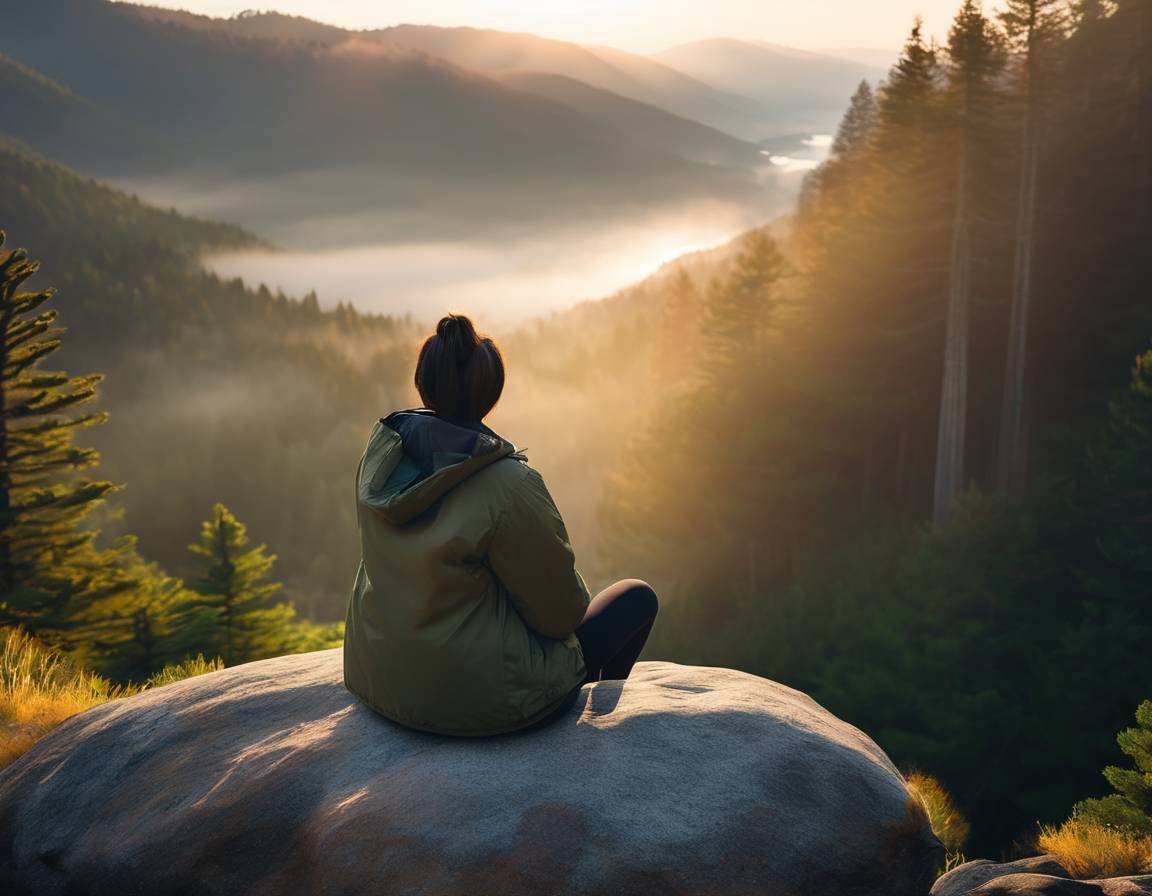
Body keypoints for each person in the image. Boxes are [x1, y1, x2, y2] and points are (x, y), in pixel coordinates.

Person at [343, 313, 658, 737]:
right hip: (480, 701)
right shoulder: (509, 484)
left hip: (380, 677)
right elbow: (561, 616)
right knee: (636, 598)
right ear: (491, 393)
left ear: (424, 383)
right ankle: (593, 733)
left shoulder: (382, 462)